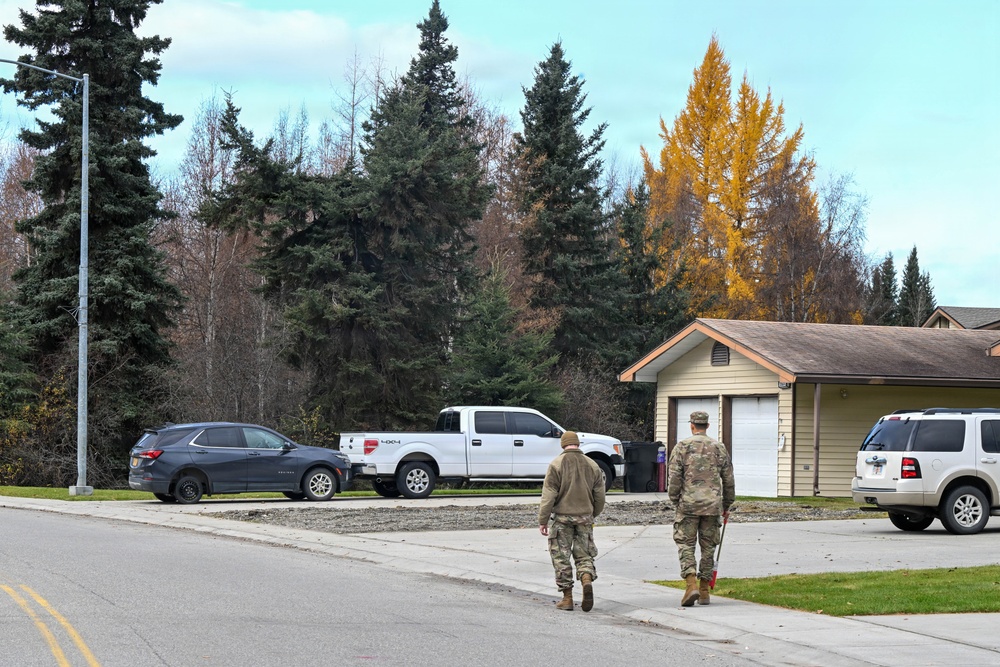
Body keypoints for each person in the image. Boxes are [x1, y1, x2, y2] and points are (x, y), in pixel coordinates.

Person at [667, 410, 736, 607]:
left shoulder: (682, 447)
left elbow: (674, 477)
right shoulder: (719, 447)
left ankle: (691, 585)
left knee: (685, 544)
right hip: (712, 506)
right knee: (708, 547)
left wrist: (675, 499)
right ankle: (704, 590)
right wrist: (727, 504)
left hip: (688, 505)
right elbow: (728, 479)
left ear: (692, 425)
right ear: (707, 426)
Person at [538, 430, 606, 612]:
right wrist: (592, 514)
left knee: (561, 556)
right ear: (578, 444)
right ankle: (586, 579)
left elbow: (548, 495)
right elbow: (600, 496)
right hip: (585, 517)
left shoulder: (556, 464)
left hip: (562, 519)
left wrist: (543, 520)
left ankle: (567, 598)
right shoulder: (592, 465)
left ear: (563, 444)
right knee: (584, 555)